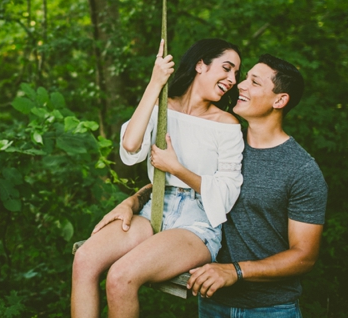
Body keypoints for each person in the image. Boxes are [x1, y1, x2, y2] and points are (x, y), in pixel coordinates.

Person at [95, 54, 328, 318]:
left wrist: (234, 270)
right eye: (245, 78)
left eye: (254, 82)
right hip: (213, 302)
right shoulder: (225, 140)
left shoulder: (300, 169)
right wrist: (132, 201)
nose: (240, 85)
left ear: (280, 100)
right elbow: (182, 188)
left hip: (270, 308)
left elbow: (304, 256)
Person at [71, 39, 245, 318]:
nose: (232, 79)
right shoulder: (162, 108)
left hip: (198, 221)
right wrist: (155, 84)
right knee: (84, 259)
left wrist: (176, 168)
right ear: (201, 64)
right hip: (155, 208)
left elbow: (226, 195)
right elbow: (130, 147)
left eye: (236, 74)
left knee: (121, 276)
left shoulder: (227, 125)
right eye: (226, 68)